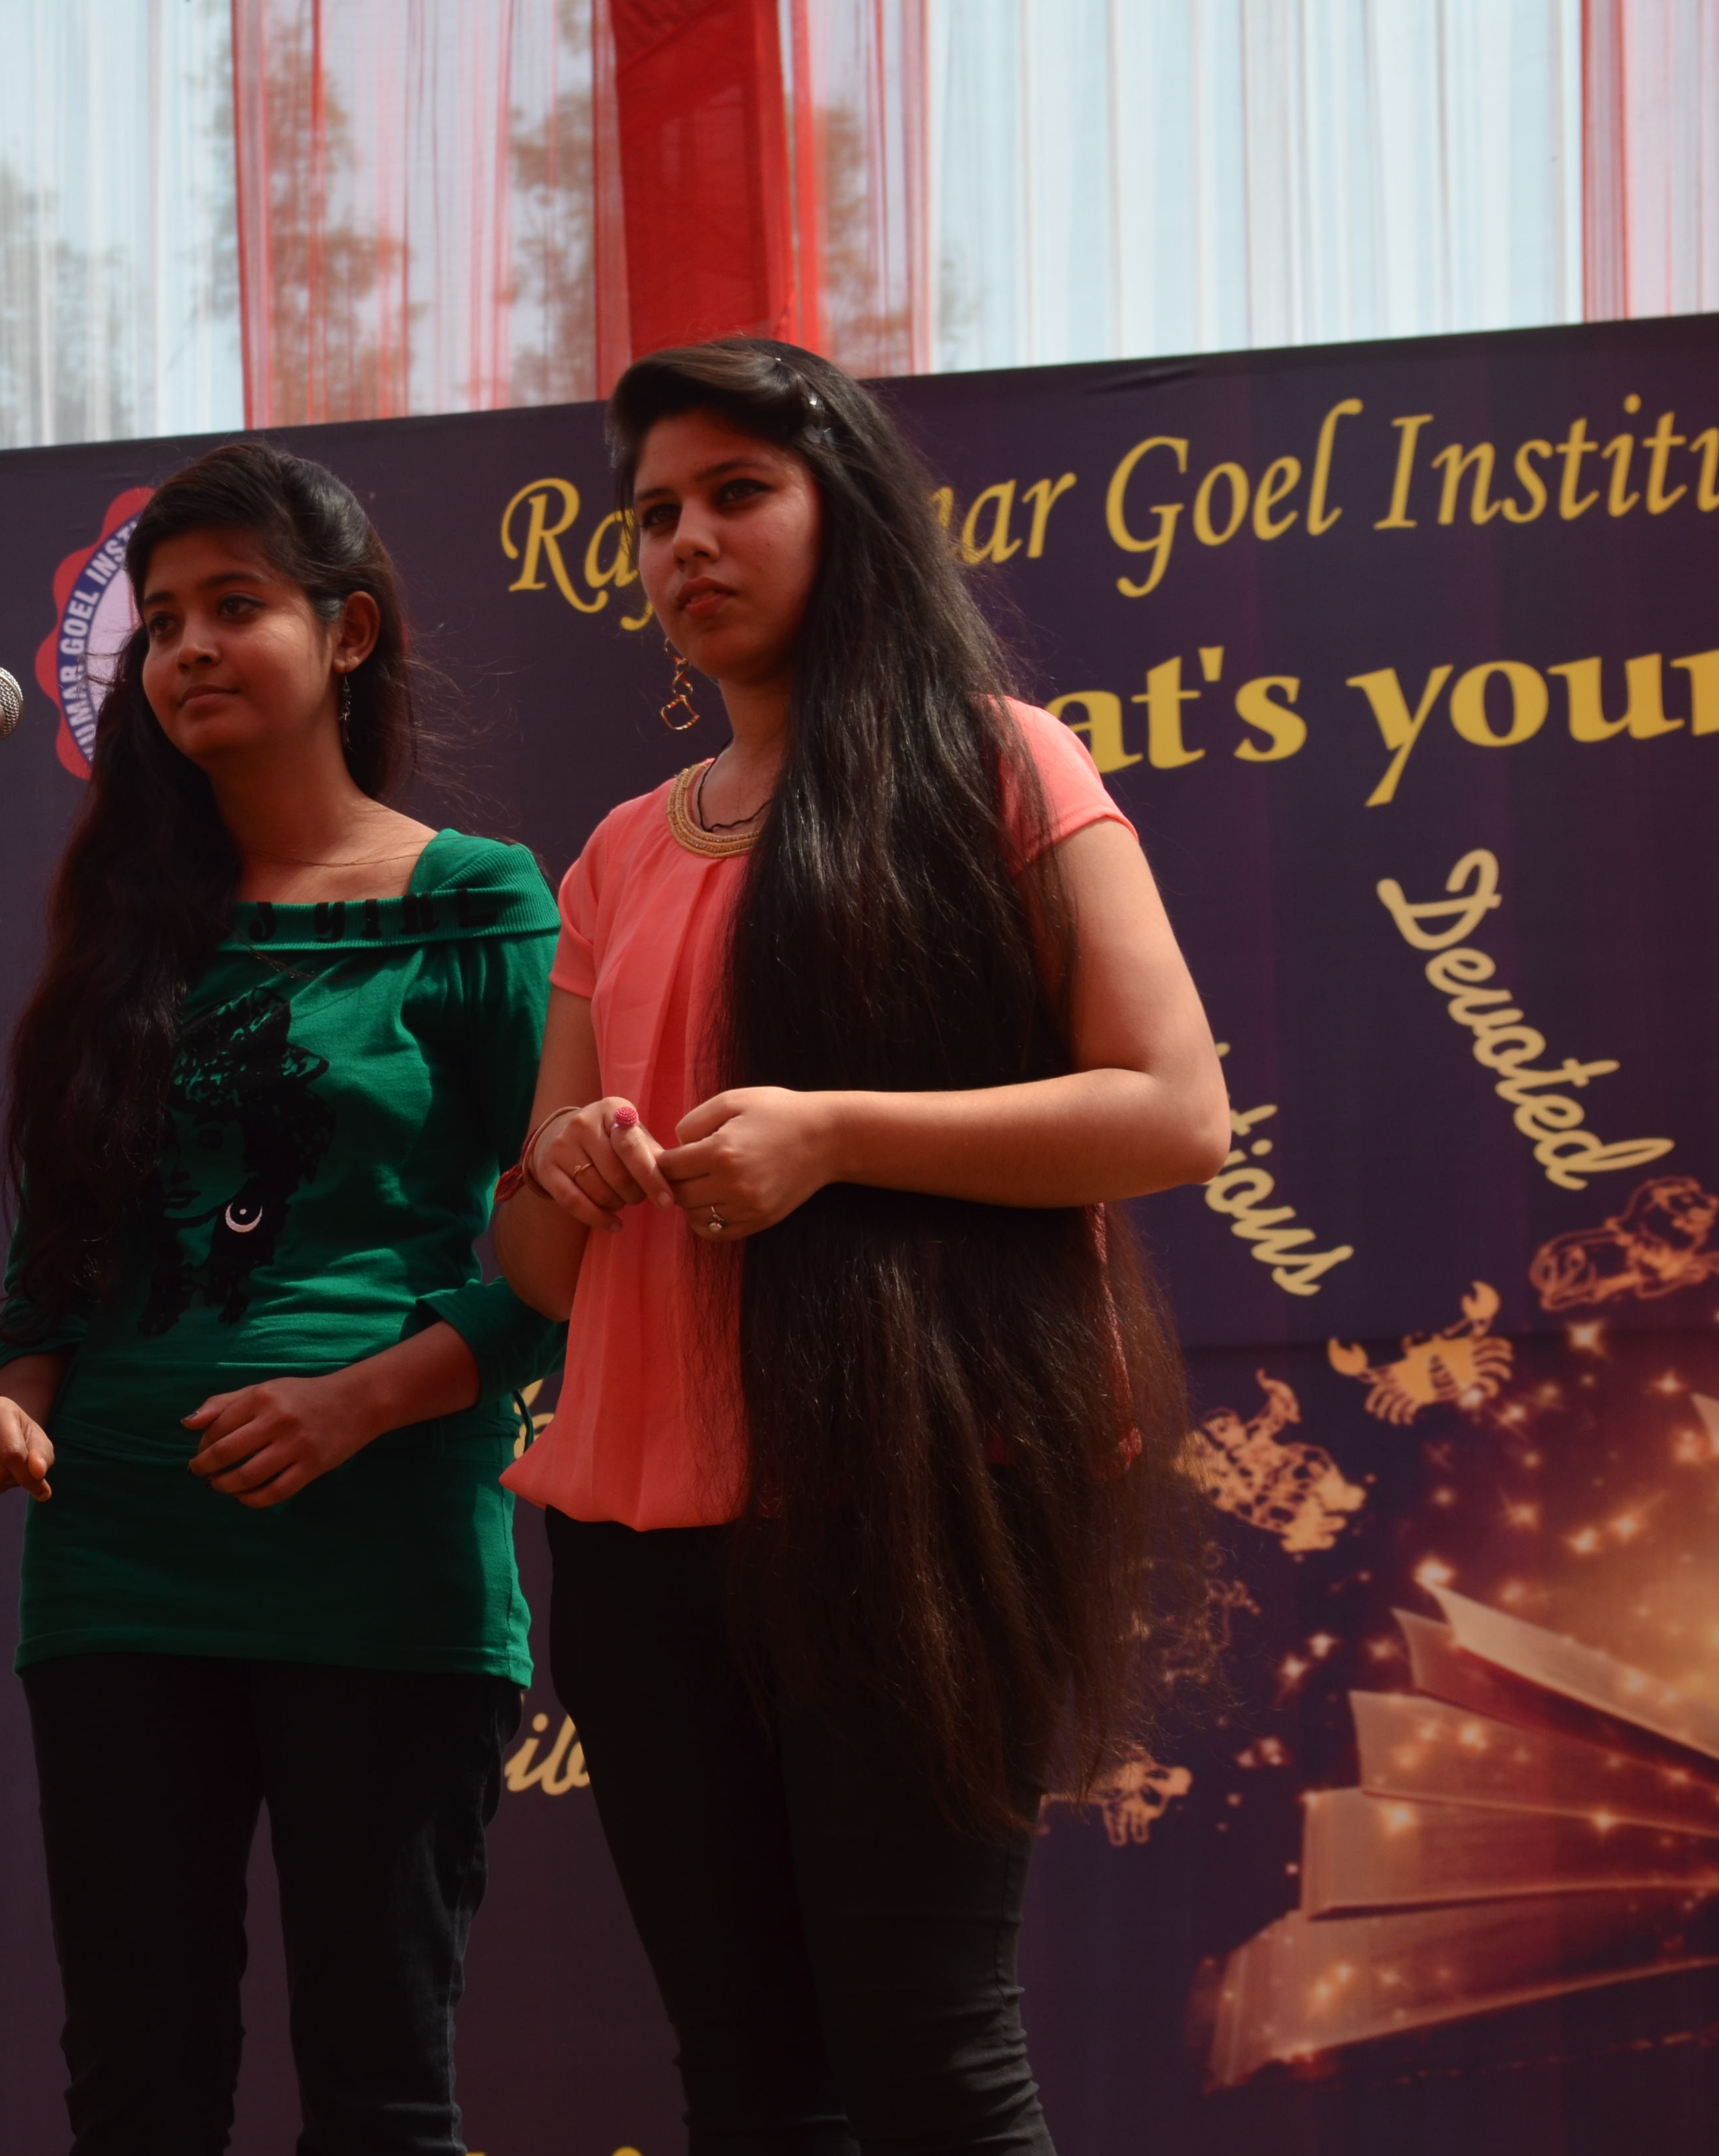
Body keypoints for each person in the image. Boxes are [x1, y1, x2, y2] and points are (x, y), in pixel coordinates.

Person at [493, 339, 1227, 2155]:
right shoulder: (615, 855)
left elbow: (1172, 1110)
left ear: (853, 511)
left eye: (739, 492)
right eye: (654, 513)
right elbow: (534, 1268)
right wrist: (569, 1173)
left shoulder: (1001, 762)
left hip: (914, 1486)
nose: (686, 541)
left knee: (930, 2061)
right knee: (750, 2086)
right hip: (639, 1546)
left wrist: (832, 1136)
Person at [0, 441, 561, 2156]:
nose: (189, 648)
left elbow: (569, 1252)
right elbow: (63, 1263)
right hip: (120, 1560)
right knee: (137, 2090)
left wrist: (359, 1404)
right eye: (161, 623)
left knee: (381, 2093)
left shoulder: (475, 901)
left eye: (236, 607)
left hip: (387, 1553)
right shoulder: (124, 921)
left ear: (348, 634)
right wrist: (17, 1407)